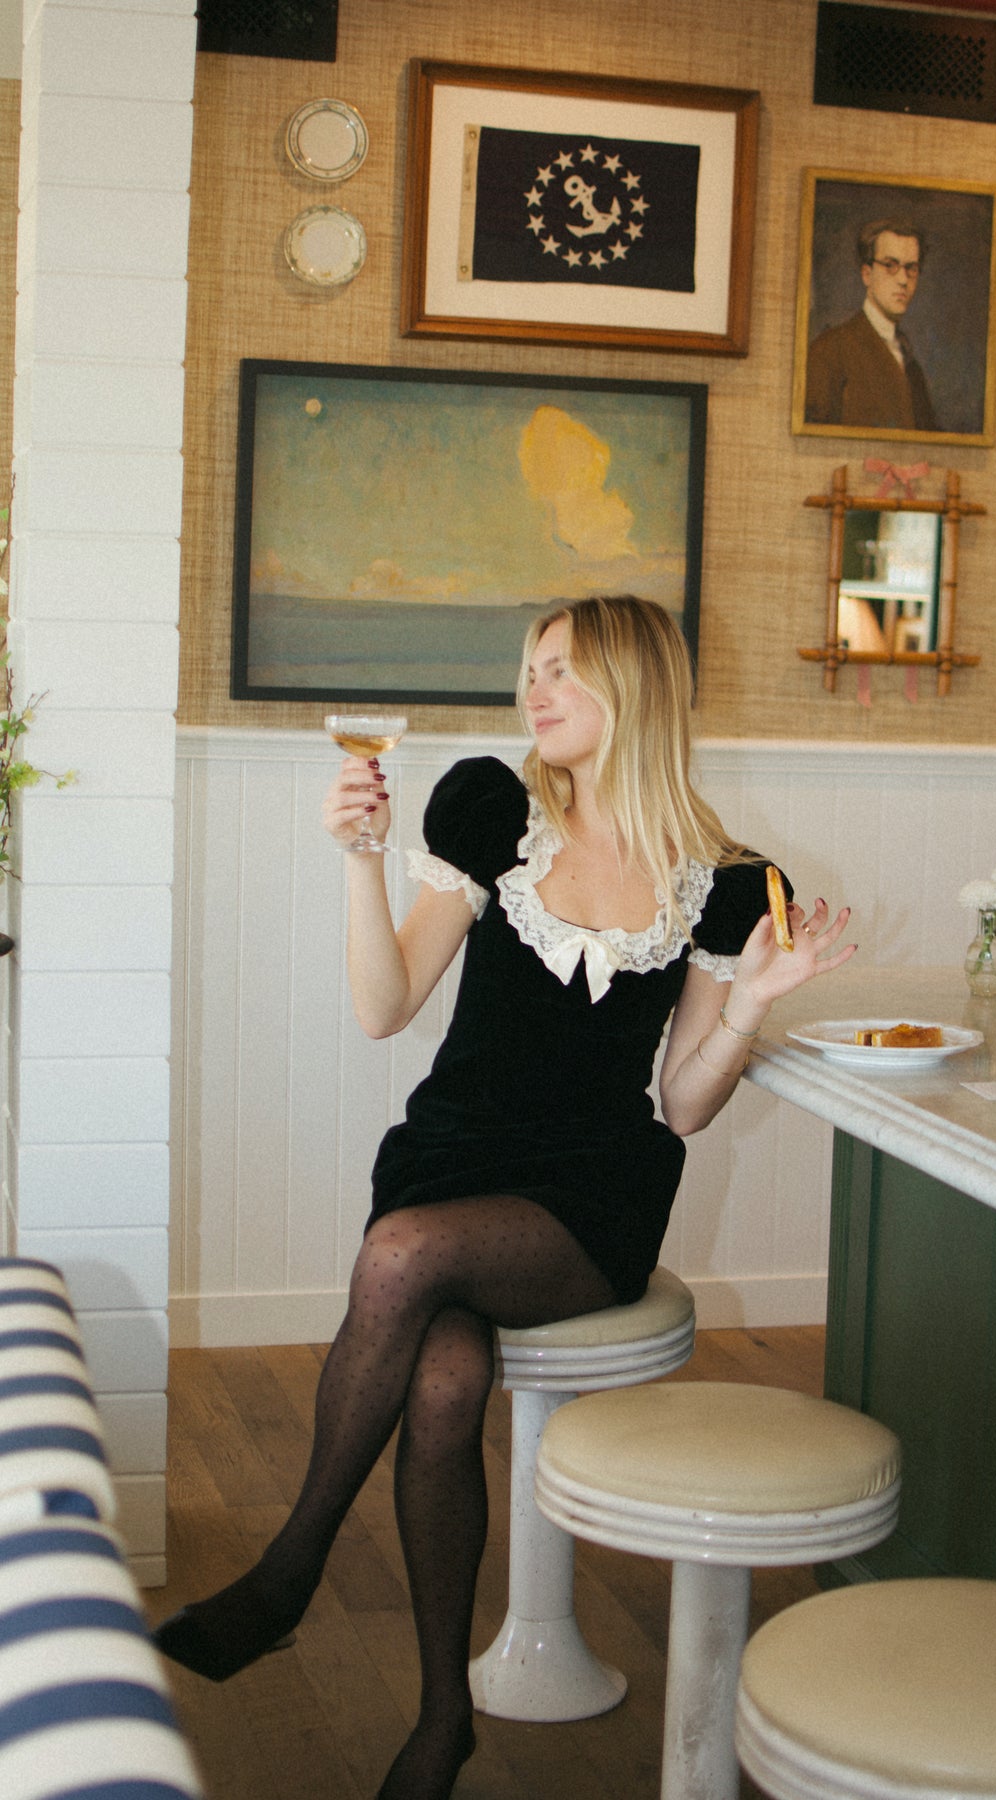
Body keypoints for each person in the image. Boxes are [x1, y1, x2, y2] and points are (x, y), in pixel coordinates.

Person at [153, 596, 855, 1800]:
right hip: (452, 1158)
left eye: (564, 670)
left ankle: (288, 1573)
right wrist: (361, 860)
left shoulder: (729, 884)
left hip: (590, 1193)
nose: (535, 689)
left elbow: (684, 1104)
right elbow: (385, 1007)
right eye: (531, 668)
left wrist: (751, 1000)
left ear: (634, 686)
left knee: (401, 1258)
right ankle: (444, 1721)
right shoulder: (493, 815)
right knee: (442, 1377)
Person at [804, 219, 937, 432]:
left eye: (911, 268)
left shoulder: (911, 365)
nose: (903, 280)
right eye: (890, 265)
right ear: (867, 274)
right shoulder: (828, 351)